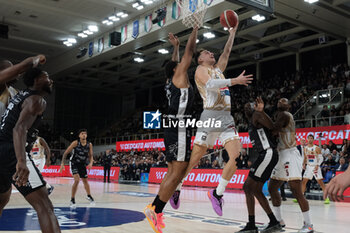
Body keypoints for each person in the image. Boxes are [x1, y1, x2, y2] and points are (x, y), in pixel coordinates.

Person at [184, 24, 253, 216]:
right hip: (210, 116)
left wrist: (232, 33)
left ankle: (217, 193)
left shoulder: (218, 69)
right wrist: (234, 81)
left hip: (226, 117)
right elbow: (212, 84)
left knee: (237, 157)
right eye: (206, 52)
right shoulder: (200, 69)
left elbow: (227, 51)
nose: (210, 53)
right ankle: (177, 187)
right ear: (200, 58)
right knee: (195, 158)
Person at [144, 26, 198, 233]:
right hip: (180, 125)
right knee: (178, 173)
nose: (181, 65)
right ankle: (156, 209)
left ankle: (155, 209)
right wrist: (194, 30)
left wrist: (175, 47)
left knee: (172, 171)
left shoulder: (169, 80)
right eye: (178, 65)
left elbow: (173, 64)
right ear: (176, 70)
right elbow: (190, 52)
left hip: (171, 125)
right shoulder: (179, 76)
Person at [0, 68, 60, 233]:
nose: (51, 80)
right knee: (45, 206)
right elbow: (19, 129)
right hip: (11, 151)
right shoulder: (36, 99)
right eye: (47, 77)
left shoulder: (21, 95)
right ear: (36, 80)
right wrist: (21, 161)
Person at [268, 98, 313, 233]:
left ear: (288, 106)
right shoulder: (279, 115)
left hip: (290, 154)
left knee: (296, 190)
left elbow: (274, 129)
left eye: (285, 101)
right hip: (281, 154)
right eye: (279, 100)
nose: (281, 101)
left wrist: (259, 116)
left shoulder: (285, 115)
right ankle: (278, 221)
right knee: (272, 187)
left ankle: (309, 224)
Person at [238, 97, 281, 233]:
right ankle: (273, 222)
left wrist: (261, 111)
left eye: (249, 105)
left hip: (268, 154)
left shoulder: (257, 115)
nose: (246, 107)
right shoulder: (253, 119)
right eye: (244, 107)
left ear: (255, 107)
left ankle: (253, 225)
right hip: (265, 155)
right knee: (254, 189)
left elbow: (273, 127)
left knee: (247, 187)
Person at [59, 129, 95, 208]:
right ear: (79, 135)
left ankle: (89, 196)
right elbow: (65, 153)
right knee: (77, 180)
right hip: (74, 163)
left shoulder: (89, 144)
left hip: (82, 164)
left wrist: (91, 162)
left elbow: (91, 155)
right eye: (82, 134)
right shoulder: (75, 143)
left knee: (85, 180)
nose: (84, 135)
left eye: (85, 134)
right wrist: (62, 163)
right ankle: (72, 199)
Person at [301, 135, 330, 204]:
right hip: (308, 166)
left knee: (320, 182)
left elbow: (321, 158)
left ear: (313, 140)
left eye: (311, 138)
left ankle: (327, 197)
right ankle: (301, 197)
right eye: (309, 138)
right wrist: (304, 164)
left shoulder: (316, 148)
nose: (310, 140)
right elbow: (305, 157)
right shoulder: (305, 148)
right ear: (307, 139)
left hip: (315, 166)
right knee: (304, 181)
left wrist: (318, 165)